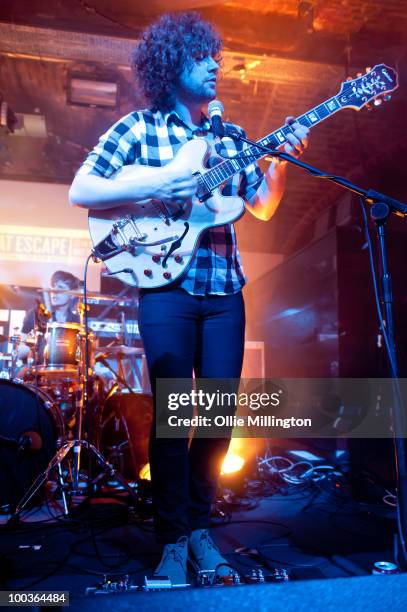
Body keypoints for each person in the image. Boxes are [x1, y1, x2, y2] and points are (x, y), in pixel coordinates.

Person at [69, 12, 309, 584]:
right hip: (166, 289)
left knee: (220, 417)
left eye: (216, 57)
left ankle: (201, 530)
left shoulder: (233, 137)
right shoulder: (138, 129)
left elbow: (264, 206)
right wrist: (159, 182)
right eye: (203, 56)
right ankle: (171, 539)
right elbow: (83, 188)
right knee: (174, 418)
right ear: (173, 64)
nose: (215, 65)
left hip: (226, 288)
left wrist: (277, 169)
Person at [18, 270, 81, 363]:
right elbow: (19, 352)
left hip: (67, 372)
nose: (54, 291)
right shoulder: (36, 314)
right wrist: (40, 344)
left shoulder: (77, 321)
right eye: (53, 286)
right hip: (38, 371)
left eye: (60, 287)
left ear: (72, 294)